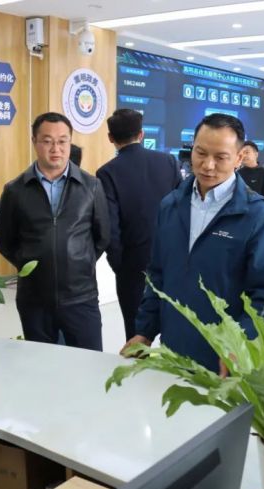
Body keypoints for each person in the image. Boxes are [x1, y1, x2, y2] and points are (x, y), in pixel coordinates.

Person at [123, 113, 264, 373]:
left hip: (226, 363)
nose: (208, 165)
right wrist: (145, 331)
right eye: (200, 153)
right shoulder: (171, 206)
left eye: (221, 157)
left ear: (239, 158)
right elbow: (157, 275)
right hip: (173, 353)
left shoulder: (258, 217)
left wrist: (242, 345)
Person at [0, 112, 110, 350]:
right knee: (41, 364)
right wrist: (29, 263)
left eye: (62, 141)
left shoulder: (91, 186)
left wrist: (80, 261)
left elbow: (102, 236)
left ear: (70, 142)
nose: (56, 148)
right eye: (47, 141)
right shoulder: (15, 190)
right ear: (35, 142)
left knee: (90, 363)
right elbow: (5, 241)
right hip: (34, 299)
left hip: (81, 297)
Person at [96, 109, 181, 341]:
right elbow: (182, 209)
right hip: (171, 259)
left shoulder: (107, 173)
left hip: (131, 265)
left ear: (111, 138)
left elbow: (110, 225)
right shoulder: (168, 162)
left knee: (136, 334)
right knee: (176, 326)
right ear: (141, 134)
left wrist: (119, 265)